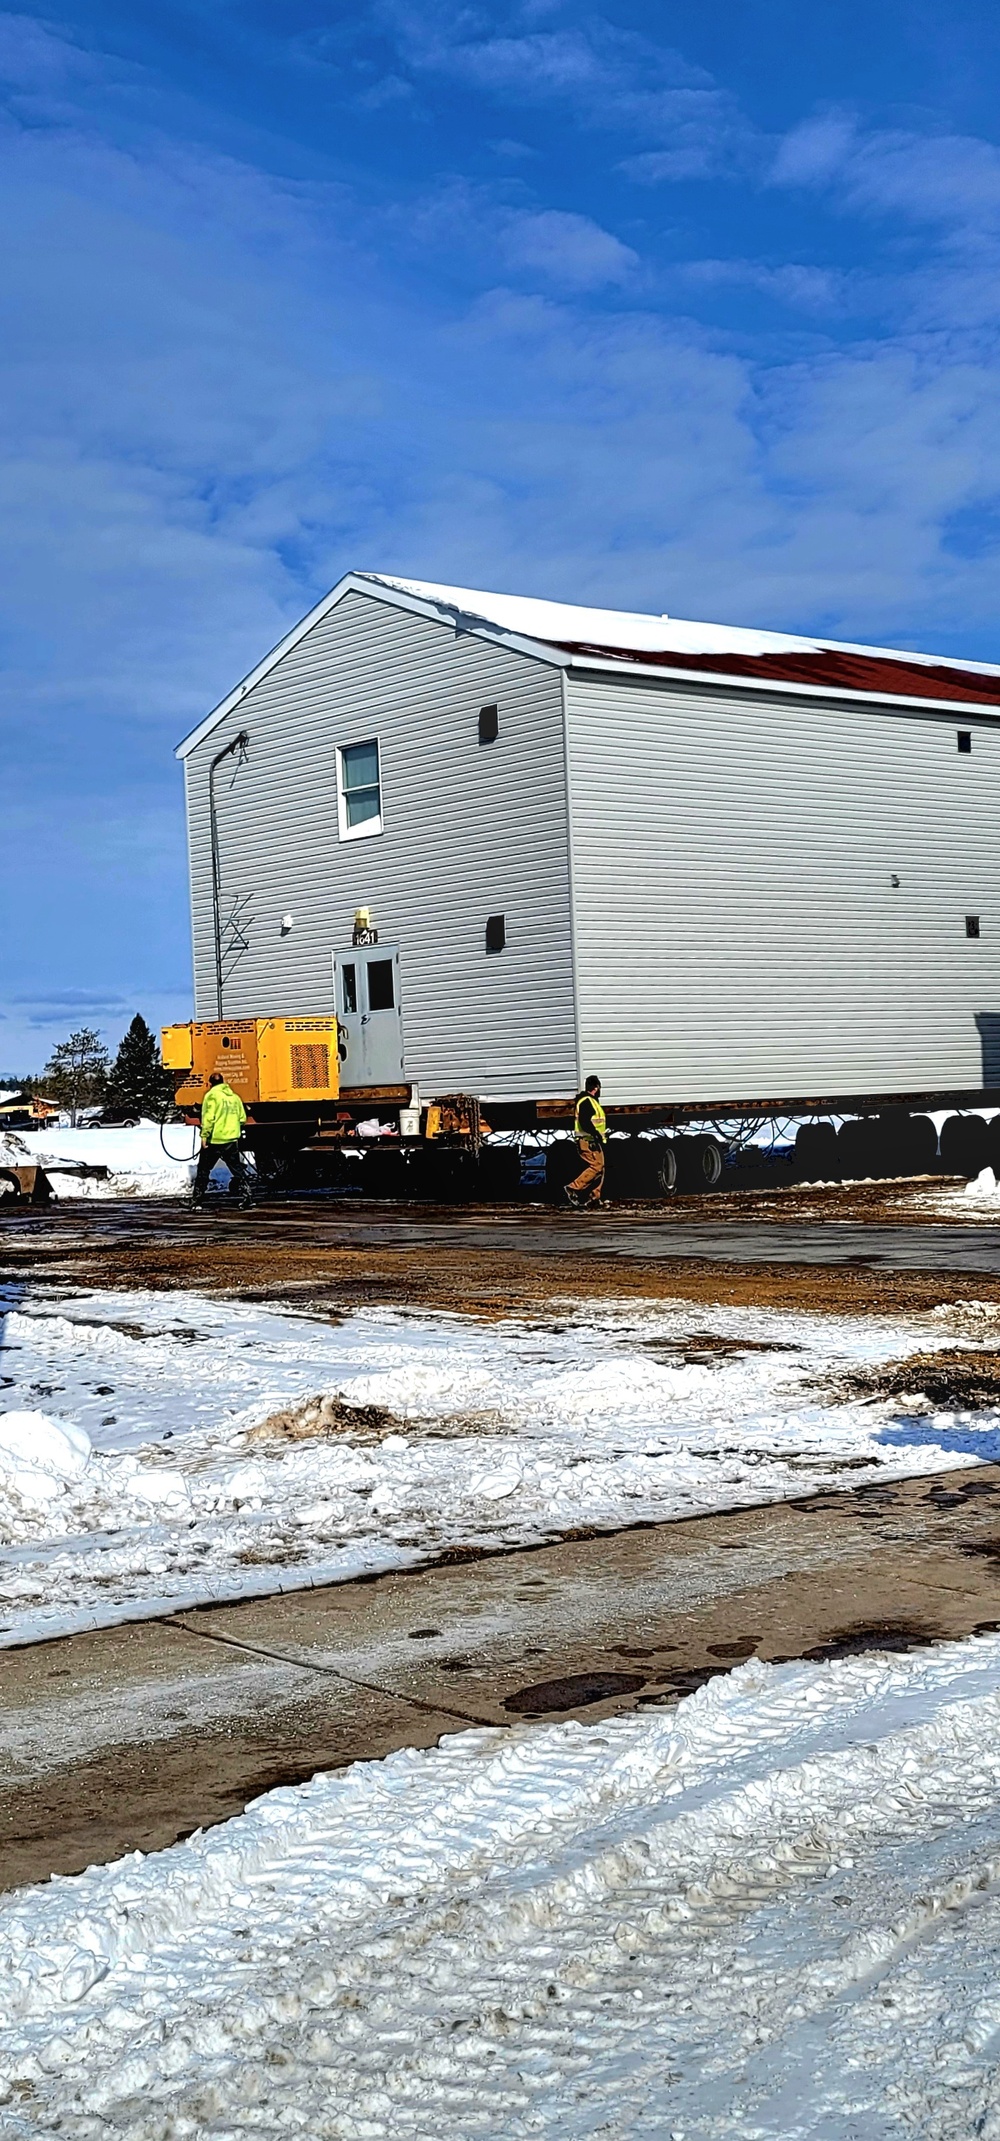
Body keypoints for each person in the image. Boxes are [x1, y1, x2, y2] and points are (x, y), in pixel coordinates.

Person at [192, 1072, 254, 1208]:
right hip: (231, 1139)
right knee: (237, 1169)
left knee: (203, 1169)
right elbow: (242, 1118)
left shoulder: (211, 1096)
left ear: (209, 1084)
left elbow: (209, 1119)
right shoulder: (235, 1097)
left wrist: (204, 1136)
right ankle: (247, 1196)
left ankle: (196, 1200)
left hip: (215, 1139)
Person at [566, 1075, 607, 1207]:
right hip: (588, 1140)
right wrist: (595, 1135)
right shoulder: (587, 1102)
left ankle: (594, 1197)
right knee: (596, 1166)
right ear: (596, 1088)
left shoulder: (590, 1101)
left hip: (592, 1140)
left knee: (601, 1168)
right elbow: (585, 1122)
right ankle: (573, 1188)